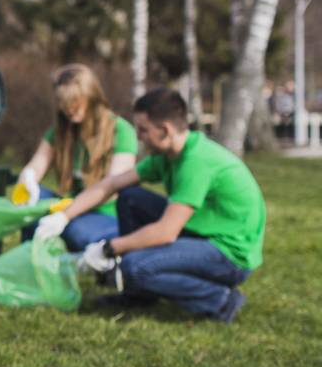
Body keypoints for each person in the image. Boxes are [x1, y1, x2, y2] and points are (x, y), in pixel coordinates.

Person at [34, 88, 264, 323]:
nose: (139, 137)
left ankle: (220, 300)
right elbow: (112, 184)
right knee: (130, 197)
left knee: (135, 266)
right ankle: (140, 295)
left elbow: (165, 232)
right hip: (206, 233)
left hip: (230, 254)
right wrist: (63, 216)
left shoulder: (196, 163)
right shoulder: (168, 156)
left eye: (143, 130)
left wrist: (108, 249)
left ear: (165, 130)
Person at [14, 64, 137, 251]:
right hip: (69, 204)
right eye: (63, 103)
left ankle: (101, 249)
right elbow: (35, 166)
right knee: (32, 205)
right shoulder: (62, 132)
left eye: (75, 101)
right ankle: (29, 260)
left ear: (92, 97)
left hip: (104, 212)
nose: (69, 109)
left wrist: (65, 216)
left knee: (78, 233)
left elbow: (112, 187)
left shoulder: (121, 131)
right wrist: (28, 180)